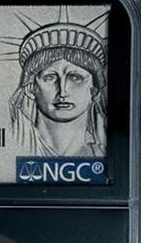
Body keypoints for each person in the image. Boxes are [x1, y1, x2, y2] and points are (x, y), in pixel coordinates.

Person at [9, 8, 108, 157]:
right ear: (30, 88)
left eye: (75, 78)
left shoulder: (101, 155)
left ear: (94, 91)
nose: (63, 91)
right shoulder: (14, 148)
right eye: (50, 77)